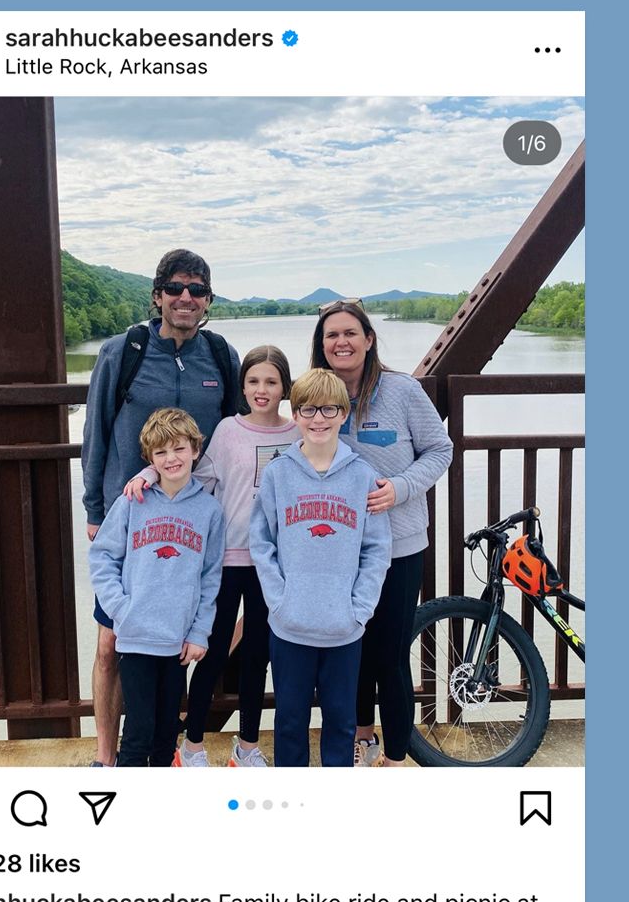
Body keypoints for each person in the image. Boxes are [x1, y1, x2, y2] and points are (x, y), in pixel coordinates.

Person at [81, 250, 241, 766]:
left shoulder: (219, 356)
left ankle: (162, 749)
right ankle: (108, 760)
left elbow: (239, 433)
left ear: (208, 301)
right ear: (157, 295)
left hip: (196, 518)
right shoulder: (122, 351)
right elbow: (96, 433)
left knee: (179, 642)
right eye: (175, 288)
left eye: (197, 290)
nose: (185, 298)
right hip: (128, 519)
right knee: (110, 648)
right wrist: (95, 507)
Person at [122, 345, 297, 767]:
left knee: (259, 656)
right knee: (213, 652)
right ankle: (192, 744)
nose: (262, 389)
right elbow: (190, 473)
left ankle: (248, 747)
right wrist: (148, 471)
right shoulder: (227, 431)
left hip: (272, 564)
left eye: (271, 382)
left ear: (284, 388)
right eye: (253, 381)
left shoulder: (296, 434)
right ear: (242, 386)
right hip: (226, 558)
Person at [311, 300, 453, 767]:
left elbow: (439, 449)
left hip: (399, 547)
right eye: (332, 335)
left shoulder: (403, 391)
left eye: (350, 333)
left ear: (369, 339)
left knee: (389, 657)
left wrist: (402, 488)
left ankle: (394, 757)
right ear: (321, 345)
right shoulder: (316, 398)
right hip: (338, 550)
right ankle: (362, 738)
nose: (341, 342)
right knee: (350, 651)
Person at [250, 368, 391, 767]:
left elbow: (376, 549)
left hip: (343, 628)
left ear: (344, 414)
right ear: (294, 415)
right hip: (290, 624)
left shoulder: (362, 475)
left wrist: (359, 609)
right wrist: (280, 601)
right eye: (308, 409)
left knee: (342, 723)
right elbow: (261, 542)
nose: (319, 419)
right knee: (290, 721)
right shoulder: (278, 473)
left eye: (329, 409)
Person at [87, 409, 226, 766]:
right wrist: (121, 609)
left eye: (179, 449)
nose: (171, 459)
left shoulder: (209, 510)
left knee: (166, 730)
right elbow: (102, 557)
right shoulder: (133, 501)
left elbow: (211, 577)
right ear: (150, 459)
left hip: (177, 640)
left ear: (195, 450)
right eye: (161, 453)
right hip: (136, 636)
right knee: (138, 731)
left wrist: (199, 632)